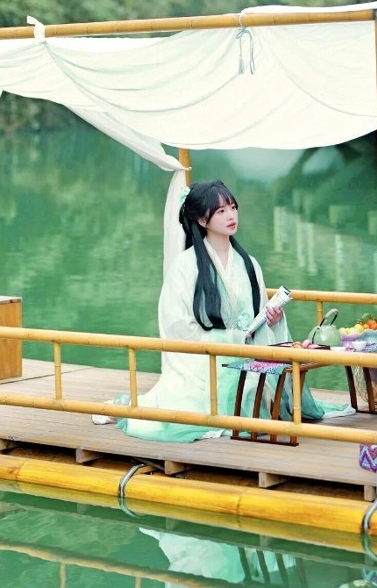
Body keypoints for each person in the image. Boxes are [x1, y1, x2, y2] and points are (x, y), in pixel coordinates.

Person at [106, 179, 353, 442]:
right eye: (221, 211)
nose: (231, 215)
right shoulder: (185, 266)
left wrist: (272, 320)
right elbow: (178, 326)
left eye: (233, 208)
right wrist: (232, 339)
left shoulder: (249, 264)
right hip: (205, 360)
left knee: (259, 388)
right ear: (203, 220)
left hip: (247, 353)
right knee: (212, 401)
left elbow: (258, 317)